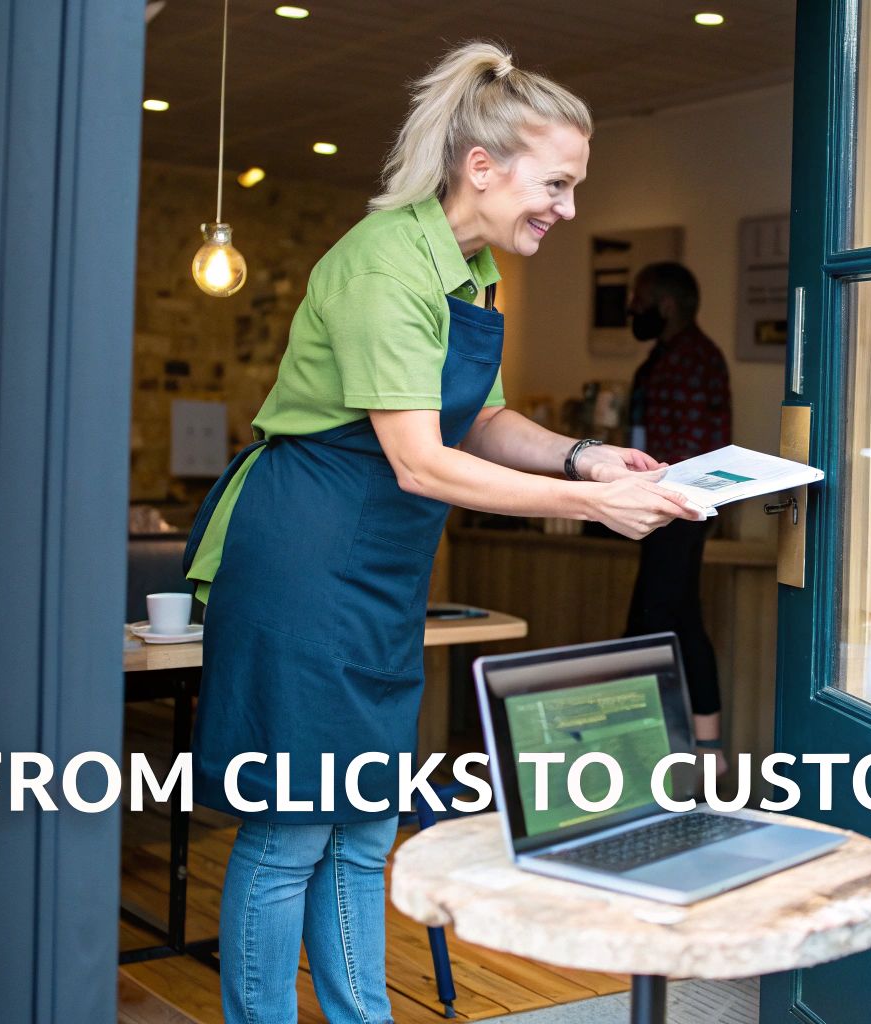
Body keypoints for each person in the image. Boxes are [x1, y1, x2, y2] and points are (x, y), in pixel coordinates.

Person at [181, 42, 703, 1024]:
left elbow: (480, 419)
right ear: (482, 168)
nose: (567, 206)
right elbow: (419, 458)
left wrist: (584, 459)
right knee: (293, 824)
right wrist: (592, 508)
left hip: (376, 571)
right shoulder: (383, 261)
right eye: (556, 183)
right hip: (304, 557)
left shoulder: (473, 273)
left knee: (366, 825)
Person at [623, 262, 731, 753]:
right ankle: (704, 753)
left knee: (652, 625)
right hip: (664, 507)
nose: (633, 310)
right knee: (678, 619)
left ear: (665, 305)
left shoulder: (692, 360)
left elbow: (693, 448)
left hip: (677, 509)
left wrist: (658, 498)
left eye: (639, 299)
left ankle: (659, 751)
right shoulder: (671, 356)